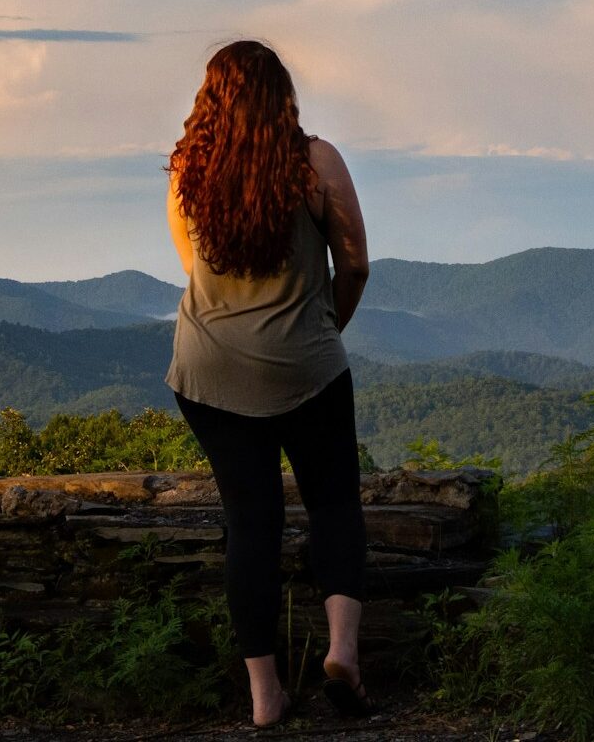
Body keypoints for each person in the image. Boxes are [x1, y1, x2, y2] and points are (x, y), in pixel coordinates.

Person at [163, 39, 374, 728]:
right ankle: (342, 653)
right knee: (335, 505)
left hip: (210, 371)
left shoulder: (187, 170)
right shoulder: (315, 163)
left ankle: (264, 696)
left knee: (250, 525)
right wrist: (323, 330)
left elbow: (190, 263)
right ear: (282, 94)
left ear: (209, 99)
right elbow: (356, 265)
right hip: (306, 366)